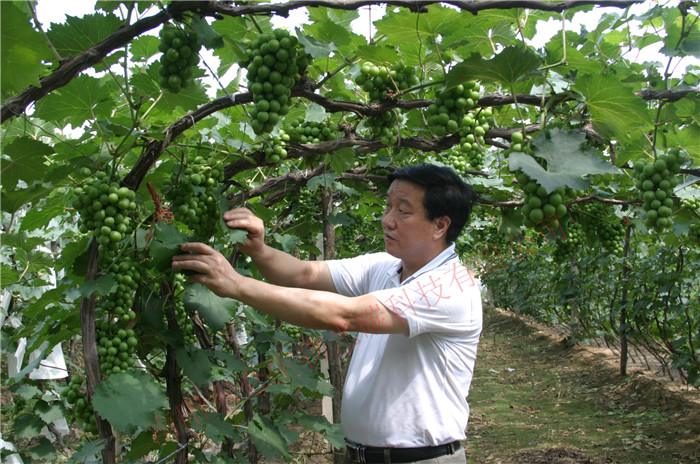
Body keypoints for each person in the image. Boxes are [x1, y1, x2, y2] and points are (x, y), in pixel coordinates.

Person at [172, 163, 482, 464]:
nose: (387, 220)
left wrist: (238, 285)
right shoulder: (385, 267)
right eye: (388, 207)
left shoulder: (450, 288)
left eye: (403, 211)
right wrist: (259, 250)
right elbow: (304, 274)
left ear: (440, 225)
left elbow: (343, 315)